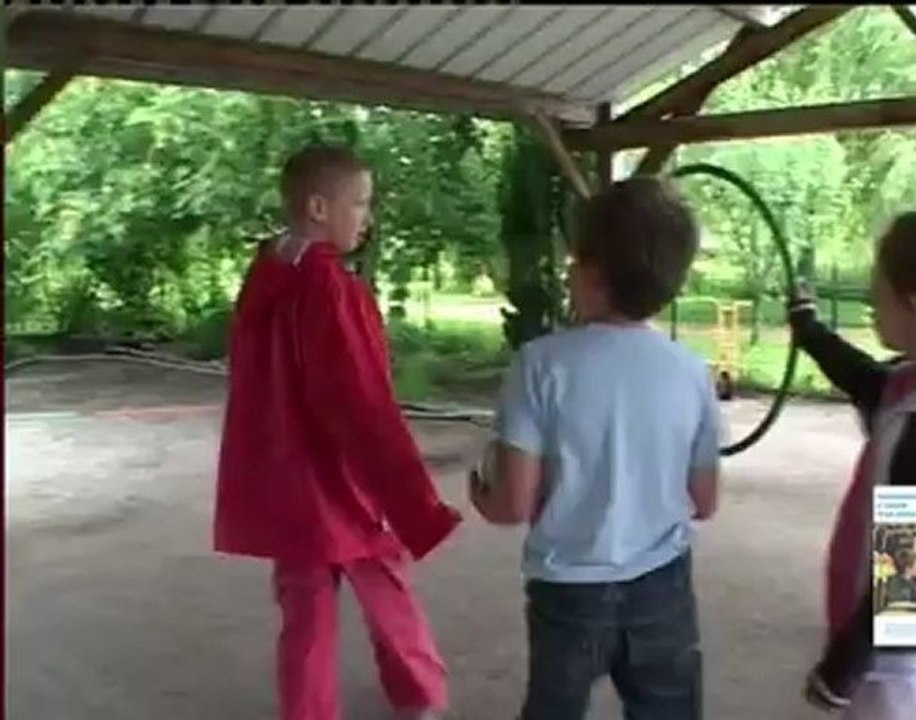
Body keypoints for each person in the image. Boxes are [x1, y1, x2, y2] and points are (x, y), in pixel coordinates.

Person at [214, 144, 461, 720]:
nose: (367, 218)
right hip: (342, 485)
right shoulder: (332, 290)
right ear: (320, 207)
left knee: (305, 612)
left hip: (286, 484)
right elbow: (360, 402)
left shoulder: (267, 275)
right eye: (361, 204)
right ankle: (420, 695)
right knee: (386, 587)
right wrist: (407, 496)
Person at [469, 176, 722, 720]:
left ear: (592, 272)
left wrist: (481, 493)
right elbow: (704, 499)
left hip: (569, 588)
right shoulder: (692, 370)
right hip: (662, 582)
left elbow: (512, 504)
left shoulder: (540, 364)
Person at [788, 211, 916, 718]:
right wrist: (807, 325)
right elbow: (859, 375)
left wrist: (840, 671)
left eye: (878, 292)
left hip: (905, 676)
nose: (871, 305)